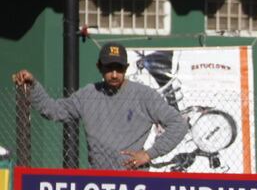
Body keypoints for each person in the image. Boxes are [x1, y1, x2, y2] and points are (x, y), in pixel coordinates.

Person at [11, 42, 188, 170]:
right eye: (109, 68)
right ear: (99, 67)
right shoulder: (88, 94)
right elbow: (53, 110)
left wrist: (149, 154)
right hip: (97, 180)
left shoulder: (144, 95)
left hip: (134, 181)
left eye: (119, 69)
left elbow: (178, 124)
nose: (114, 74)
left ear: (126, 68)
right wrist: (32, 85)